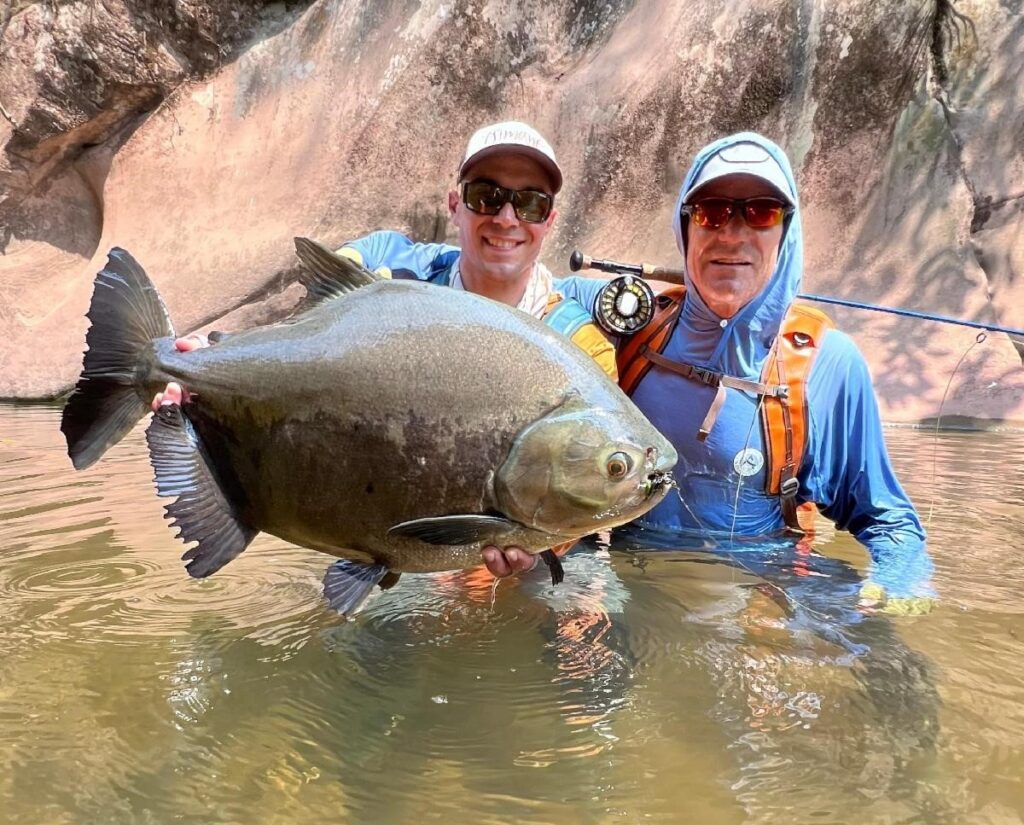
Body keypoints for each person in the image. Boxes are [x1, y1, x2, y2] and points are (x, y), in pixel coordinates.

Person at [485, 132, 934, 613]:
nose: (731, 234)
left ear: (785, 231)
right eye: (711, 212)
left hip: (763, 595)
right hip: (623, 588)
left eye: (760, 212)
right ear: (686, 229)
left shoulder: (826, 363)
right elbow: (527, 285)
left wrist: (898, 582)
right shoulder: (634, 331)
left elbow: (889, 521)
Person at [153, 120, 615, 577]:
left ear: (550, 221)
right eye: (486, 196)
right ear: (455, 205)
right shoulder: (396, 280)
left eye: (530, 203)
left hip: (522, 565)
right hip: (385, 554)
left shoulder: (582, 349)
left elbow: (583, 507)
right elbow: (309, 342)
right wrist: (214, 360)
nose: (506, 218)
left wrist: (534, 549)